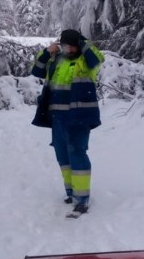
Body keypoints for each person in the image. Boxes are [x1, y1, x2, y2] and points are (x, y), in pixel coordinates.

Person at [31, 29, 104, 216]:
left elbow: (97, 58)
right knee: (62, 155)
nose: (69, 49)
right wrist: (48, 52)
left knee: (77, 153)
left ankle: (82, 200)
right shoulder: (56, 60)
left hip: (79, 117)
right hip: (58, 118)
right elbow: (36, 70)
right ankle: (71, 192)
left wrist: (82, 42)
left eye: (72, 46)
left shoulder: (86, 62)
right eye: (65, 46)